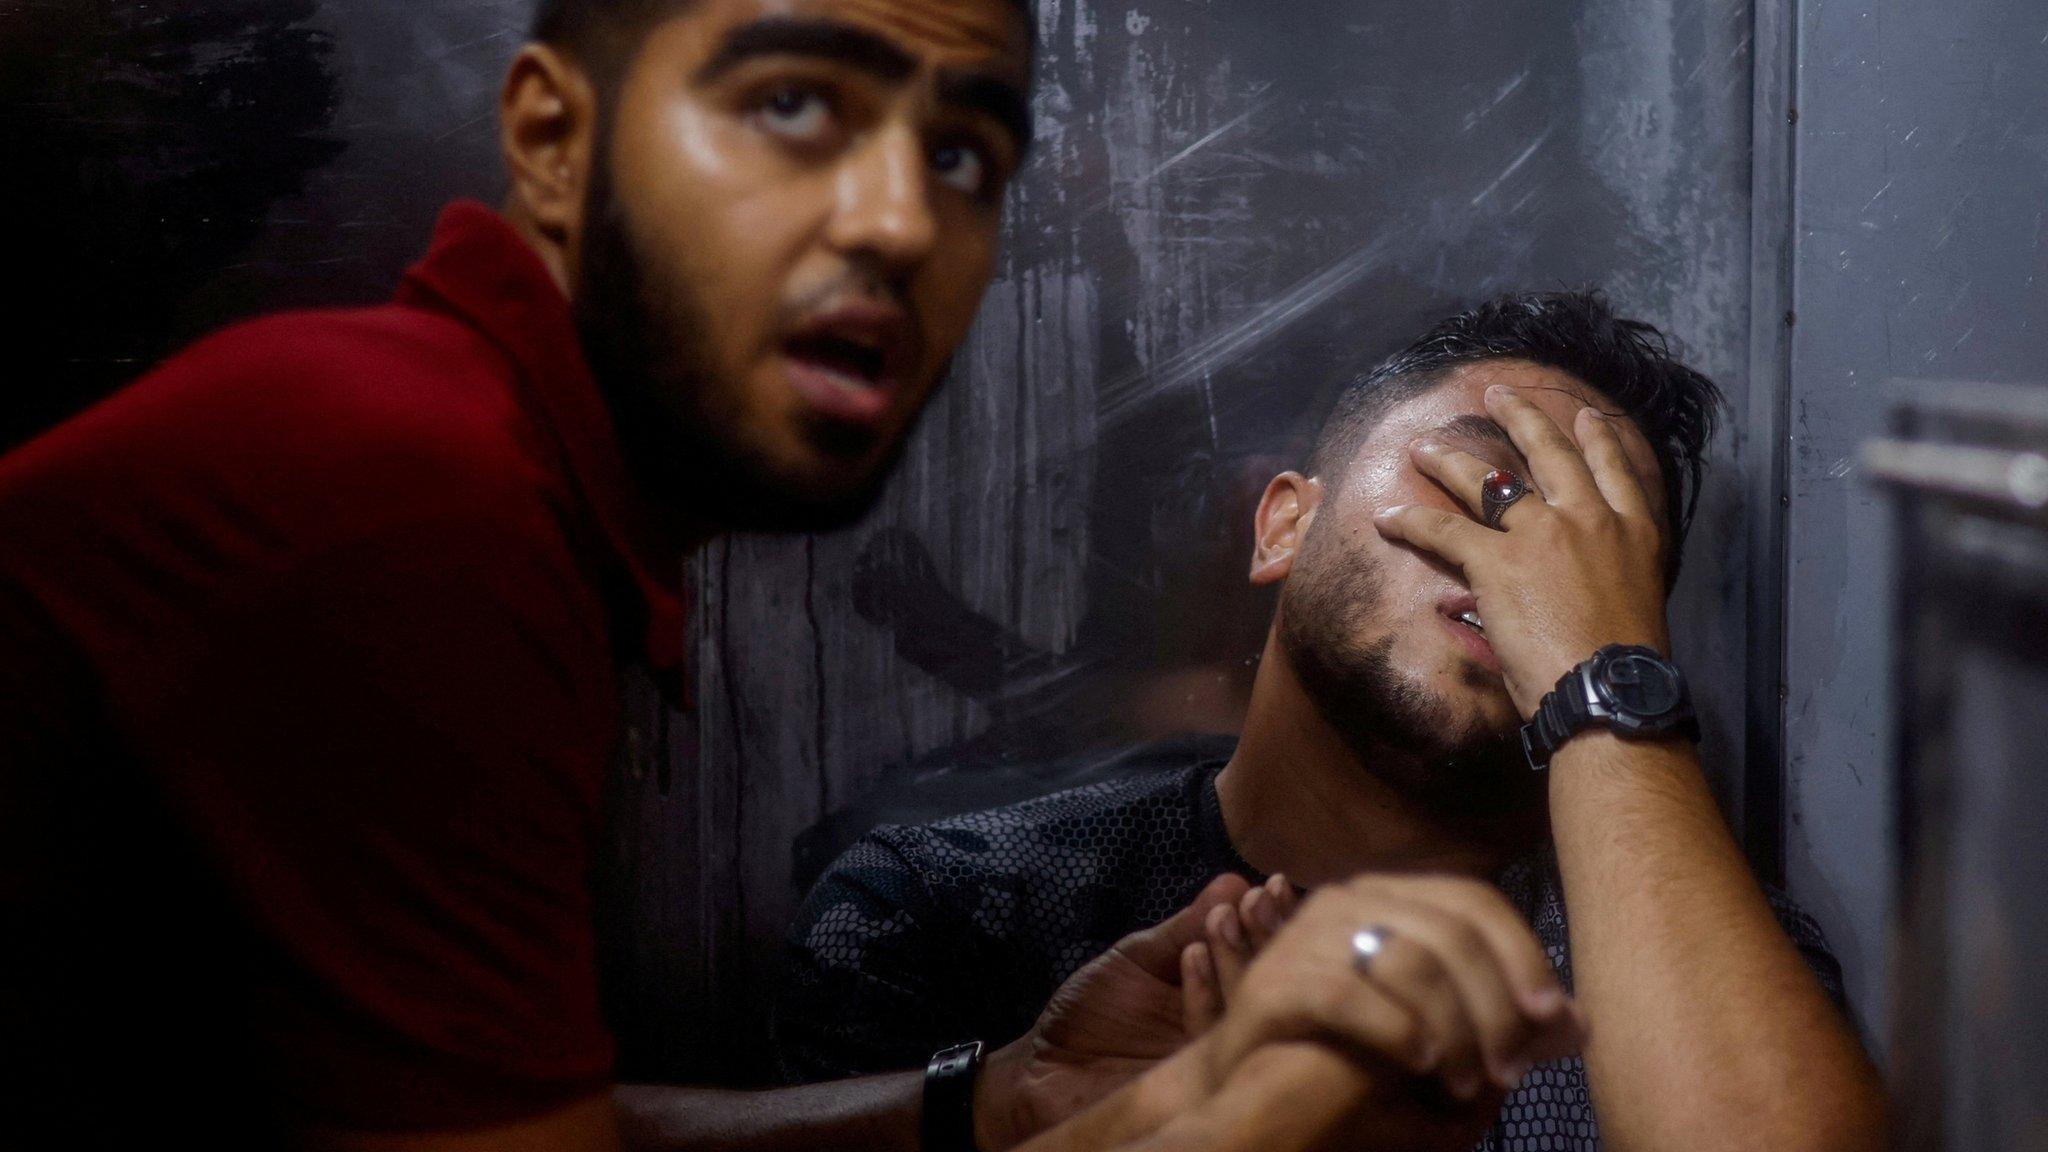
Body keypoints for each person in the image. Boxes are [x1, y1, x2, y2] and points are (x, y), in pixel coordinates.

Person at [0, 1, 1587, 1149]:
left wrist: (1007, 1102)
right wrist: (1285, 1099)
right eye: (793, 106)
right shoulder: (408, 488)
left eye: (964, 154)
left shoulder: (502, 491)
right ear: (552, 141)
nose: (902, 219)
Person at [781, 291, 1892, 1150]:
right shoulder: (945, 908)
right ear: (1282, 530)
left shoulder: (1699, 962)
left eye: (1591, 536)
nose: (1518, 549)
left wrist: (1595, 669)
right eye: (1483, 480)